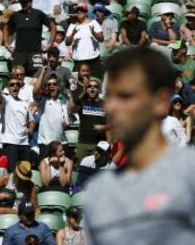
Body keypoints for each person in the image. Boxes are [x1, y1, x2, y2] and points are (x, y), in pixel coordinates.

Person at [84, 47, 195, 244]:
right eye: (109, 96)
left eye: (125, 96)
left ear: (161, 101)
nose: (110, 107)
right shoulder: (99, 193)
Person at [3, 0, 56, 76]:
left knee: (37, 77)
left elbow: (52, 26)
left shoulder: (38, 14)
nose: (22, 4)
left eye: (24, 2)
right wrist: (6, 44)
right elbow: (6, 28)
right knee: (17, 76)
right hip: (19, 53)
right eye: (21, 2)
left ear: (30, 2)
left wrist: (50, 44)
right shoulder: (16, 15)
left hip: (35, 52)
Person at [33, 69, 73, 159]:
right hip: (46, 144)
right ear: (46, 86)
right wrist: (42, 73)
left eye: (54, 84)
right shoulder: (42, 101)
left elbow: (71, 114)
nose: (52, 86)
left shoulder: (64, 101)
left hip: (61, 143)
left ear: (58, 86)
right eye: (49, 84)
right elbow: (35, 91)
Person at [0, 78, 36, 172]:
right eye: (12, 85)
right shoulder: (6, 100)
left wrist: (30, 130)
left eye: (17, 84)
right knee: (11, 172)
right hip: (11, 144)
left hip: (24, 144)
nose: (15, 86)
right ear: (8, 88)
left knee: (25, 172)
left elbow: (31, 120)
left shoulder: (23, 103)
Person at [65, 3, 104, 80]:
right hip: (78, 61)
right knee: (76, 85)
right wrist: (72, 34)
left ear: (86, 12)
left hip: (93, 60)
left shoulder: (93, 23)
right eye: (77, 10)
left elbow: (101, 39)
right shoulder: (72, 25)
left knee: (94, 82)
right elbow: (67, 43)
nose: (79, 11)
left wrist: (94, 33)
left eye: (82, 10)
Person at [74, 78, 106, 162]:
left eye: (95, 86)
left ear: (99, 89)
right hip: (83, 143)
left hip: (99, 144)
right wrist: (84, 91)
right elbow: (72, 107)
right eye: (89, 86)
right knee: (80, 170)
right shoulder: (82, 103)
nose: (92, 88)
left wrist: (104, 127)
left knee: (96, 172)